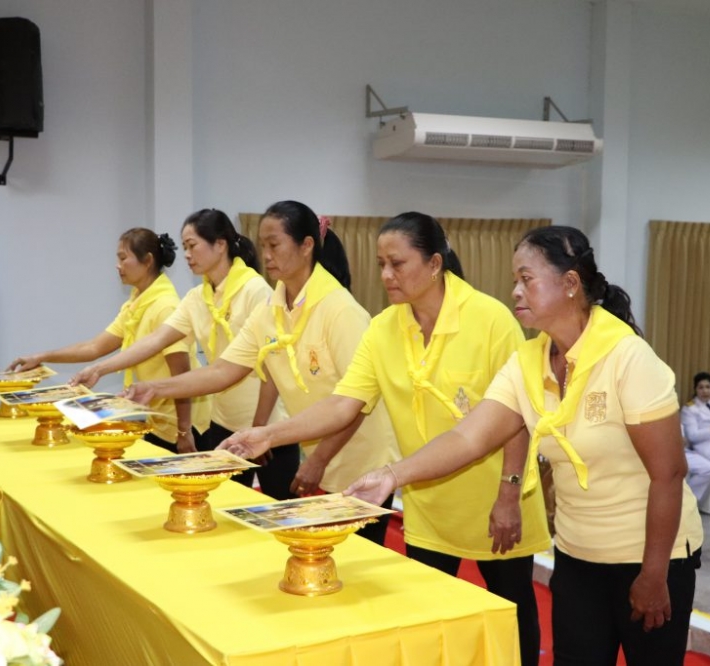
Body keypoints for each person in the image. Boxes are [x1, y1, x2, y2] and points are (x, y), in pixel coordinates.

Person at [338, 225, 703, 666]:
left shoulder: (628, 357)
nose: (515, 291)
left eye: (526, 279)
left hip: (649, 554)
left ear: (570, 284)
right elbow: (469, 436)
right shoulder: (528, 361)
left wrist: (654, 573)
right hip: (577, 553)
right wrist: (391, 475)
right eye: (515, 280)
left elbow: (669, 474)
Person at [220, 212, 551, 666]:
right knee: (428, 620)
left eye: (397, 263)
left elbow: (518, 416)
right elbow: (343, 404)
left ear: (434, 264)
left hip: (495, 498)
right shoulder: (383, 328)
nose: (386, 275)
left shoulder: (490, 319)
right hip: (427, 501)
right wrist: (268, 434)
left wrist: (509, 494)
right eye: (381, 265)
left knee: (512, 611)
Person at [122, 201, 398, 544]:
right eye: (263, 245)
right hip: (320, 451)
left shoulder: (341, 310)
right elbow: (223, 370)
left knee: (354, 555)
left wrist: (318, 458)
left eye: (275, 244)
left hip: (364, 461)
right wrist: (156, 388)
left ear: (306, 245)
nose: (266, 255)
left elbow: (358, 402)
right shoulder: (271, 309)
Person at [69, 209, 298, 499]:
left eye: (192, 246)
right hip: (224, 423)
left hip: (269, 424)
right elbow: (156, 340)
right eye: (185, 247)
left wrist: (260, 428)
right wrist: (99, 369)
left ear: (220, 244)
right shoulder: (197, 298)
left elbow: (272, 367)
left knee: (278, 506)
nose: (187, 255)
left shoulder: (255, 291)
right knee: (222, 507)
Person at [8, 228, 209, 451]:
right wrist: (41, 356)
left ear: (147, 261)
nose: (118, 265)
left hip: (185, 424)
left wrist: (184, 431)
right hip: (158, 418)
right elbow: (94, 347)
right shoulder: (136, 303)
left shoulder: (165, 306)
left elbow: (181, 374)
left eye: (123, 258)